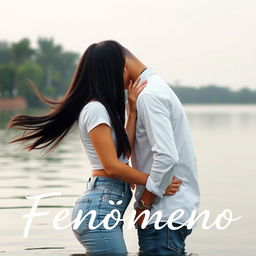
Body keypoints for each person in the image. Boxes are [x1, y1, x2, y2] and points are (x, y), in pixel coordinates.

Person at [7, 40, 182, 256]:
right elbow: (111, 167)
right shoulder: (95, 109)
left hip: (104, 210)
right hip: (98, 212)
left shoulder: (104, 110)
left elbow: (122, 154)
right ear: (112, 71)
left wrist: (133, 111)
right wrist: (156, 182)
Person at [124, 49, 200, 255]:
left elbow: (166, 156)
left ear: (120, 67)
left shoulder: (149, 95)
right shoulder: (153, 90)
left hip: (161, 215)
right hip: (168, 214)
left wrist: (143, 203)